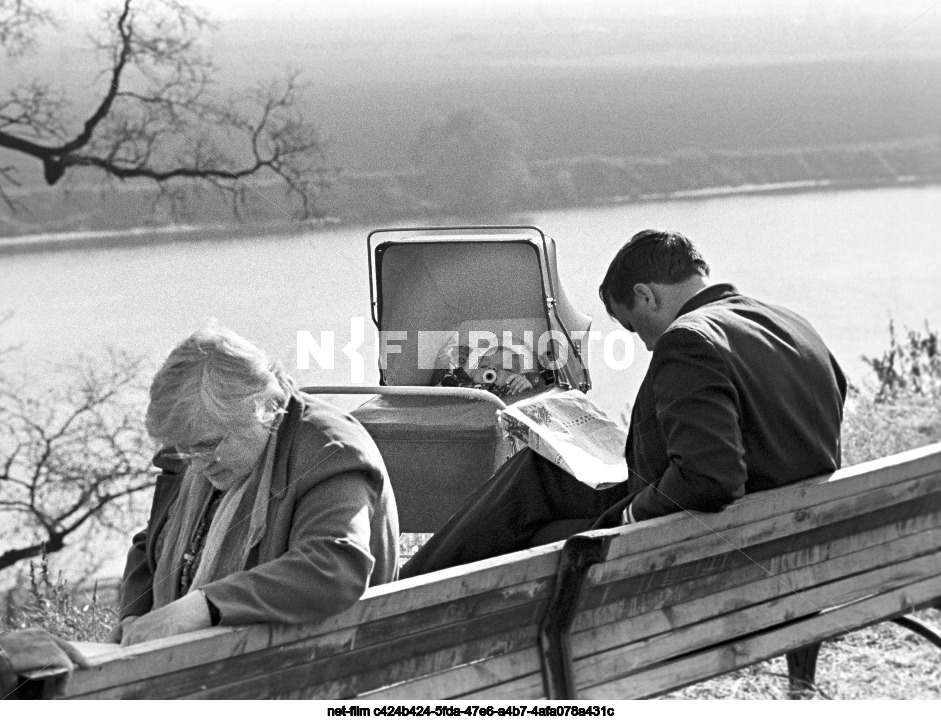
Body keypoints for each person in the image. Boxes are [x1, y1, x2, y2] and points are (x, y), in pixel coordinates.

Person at [400, 229, 846, 578]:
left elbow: (710, 479)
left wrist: (628, 515)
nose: (648, 345)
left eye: (635, 326)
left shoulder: (688, 341)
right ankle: (405, 583)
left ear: (647, 295)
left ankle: (397, 596)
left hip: (712, 546)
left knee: (528, 523)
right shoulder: (791, 324)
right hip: (790, 533)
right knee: (542, 471)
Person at [110, 325, 399, 645]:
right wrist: (134, 617)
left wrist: (202, 607)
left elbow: (333, 569)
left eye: (208, 445)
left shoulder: (330, 452)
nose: (196, 463)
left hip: (320, 657)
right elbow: (153, 540)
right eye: (186, 449)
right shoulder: (197, 445)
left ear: (261, 410)